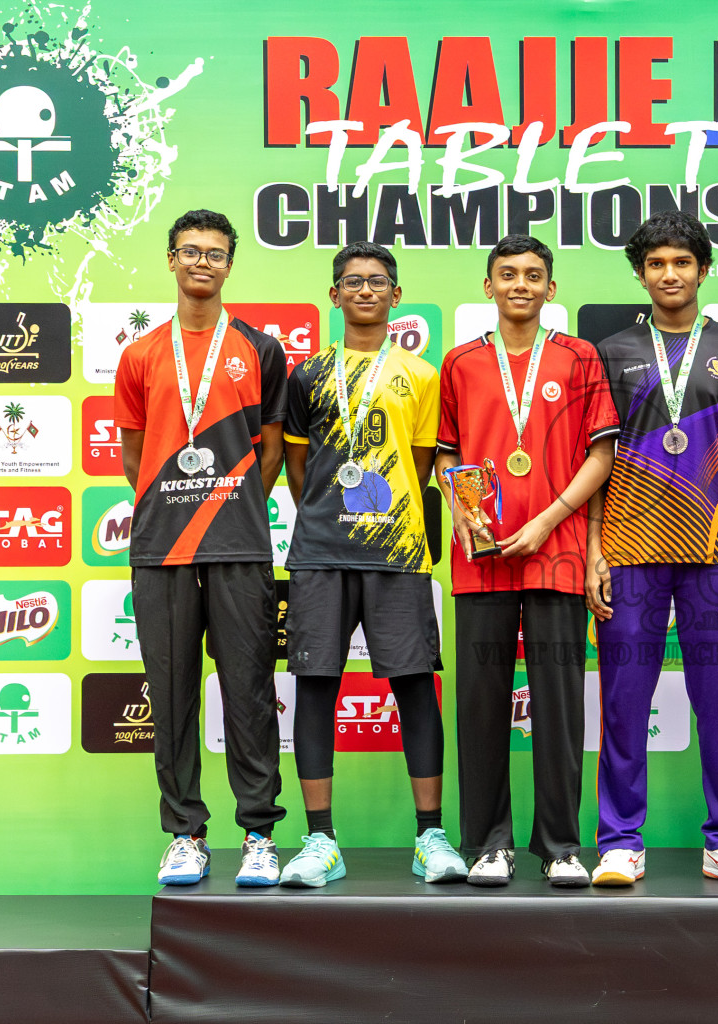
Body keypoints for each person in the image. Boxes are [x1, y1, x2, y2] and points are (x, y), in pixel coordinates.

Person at [586, 212, 718, 887]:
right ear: (641, 274)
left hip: (715, 551)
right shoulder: (610, 353)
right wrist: (595, 548)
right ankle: (619, 842)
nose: (670, 274)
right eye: (657, 264)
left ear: (703, 269)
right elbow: (597, 458)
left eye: (682, 262)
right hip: (629, 549)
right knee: (623, 700)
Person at [276, 241, 464, 887]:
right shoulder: (307, 374)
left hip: (398, 551)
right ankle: (320, 841)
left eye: (377, 281)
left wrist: (383, 514)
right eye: (352, 281)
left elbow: (419, 464)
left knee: (414, 685)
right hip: (320, 553)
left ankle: (430, 836)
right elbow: (298, 468)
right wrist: (333, 514)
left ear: (395, 295)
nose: (365, 290)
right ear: (334, 295)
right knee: (315, 687)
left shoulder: (423, 374)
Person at [433, 235, 618, 887]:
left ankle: (561, 845)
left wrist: (547, 520)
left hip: (557, 553)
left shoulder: (579, 357)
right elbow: (447, 452)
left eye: (533, 275)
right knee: (481, 703)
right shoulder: (460, 362)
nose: (520, 284)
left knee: (560, 705)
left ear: (550, 288)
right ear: (488, 287)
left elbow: (601, 455)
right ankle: (489, 843)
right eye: (507, 274)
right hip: (482, 558)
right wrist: (463, 508)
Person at [114, 209, 287, 887]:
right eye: (191, 251)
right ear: (171, 260)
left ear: (229, 266)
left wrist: (228, 503)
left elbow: (270, 450)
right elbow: (134, 455)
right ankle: (185, 834)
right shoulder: (140, 355)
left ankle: (259, 835)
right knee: (172, 694)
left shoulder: (259, 349)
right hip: (161, 547)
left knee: (249, 691)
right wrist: (176, 504)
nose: (202, 262)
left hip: (239, 544)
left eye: (215, 253)